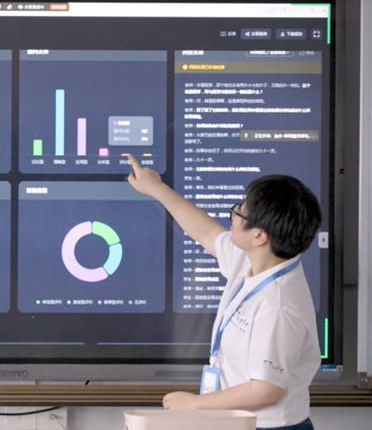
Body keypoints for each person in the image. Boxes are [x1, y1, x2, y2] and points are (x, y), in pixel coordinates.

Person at [126, 154, 321, 430]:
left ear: (259, 236)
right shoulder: (258, 258)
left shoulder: (278, 306)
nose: (233, 215)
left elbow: (266, 391)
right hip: (240, 421)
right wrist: (157, 188)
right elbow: (206, 232)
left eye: (240, 211)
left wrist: (195, 404)